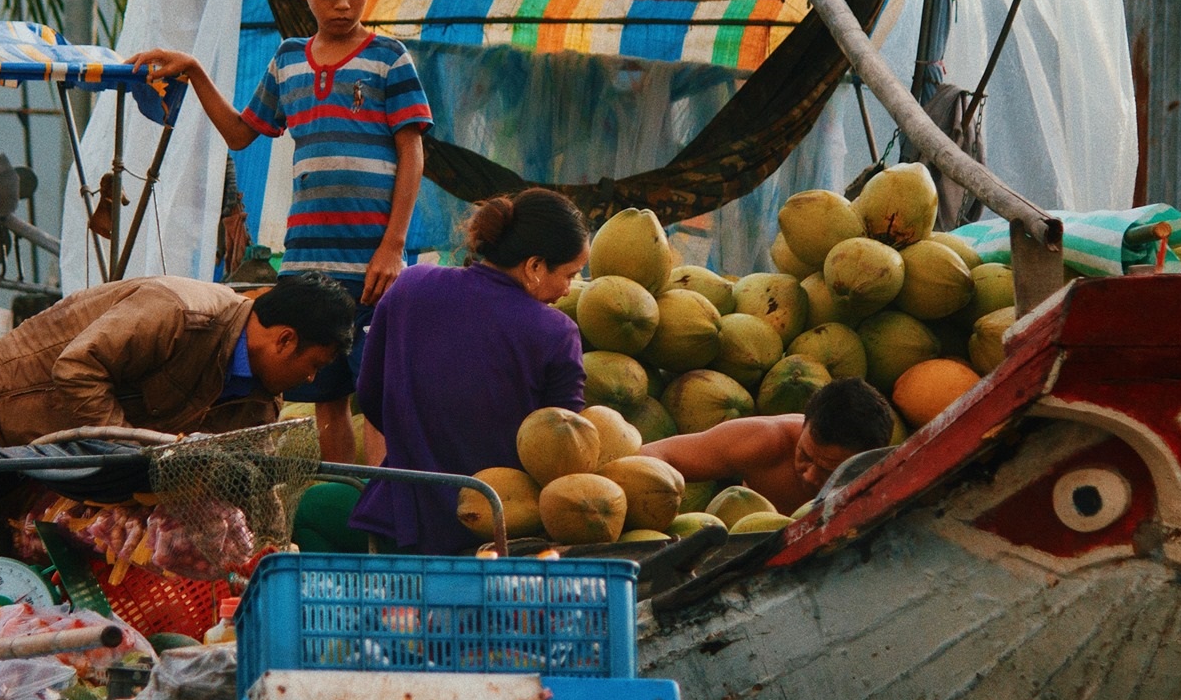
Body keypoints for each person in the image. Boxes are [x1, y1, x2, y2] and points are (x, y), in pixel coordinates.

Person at [128, 0, 431, 467]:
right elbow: (241, 134)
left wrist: (393, 245)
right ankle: (343, 499)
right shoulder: (289, 60)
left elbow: (413, 152)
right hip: (307, 265)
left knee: (381, 398)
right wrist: (195, 71)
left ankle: (384, 513)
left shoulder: (390, 59)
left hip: (372, 265)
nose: (344, 4)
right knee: (326, 398)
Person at [0, 271, 358, 490]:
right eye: (313, 363)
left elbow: (232, 478)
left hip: (65, 472)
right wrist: (130, 462)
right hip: (5, 410)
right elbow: (78, 367)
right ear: (284, 340)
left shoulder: (260, 405)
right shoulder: (180, 311)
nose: (312, 378)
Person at [351, 189, 591, 554]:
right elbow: (563, 450)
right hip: (498, 536)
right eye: (569, 274)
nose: (568, 289)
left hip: (399, 524)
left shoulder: (411, 286)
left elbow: (370, 395)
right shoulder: (557, 333)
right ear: (535, 267)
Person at [643, 378, 896, 515]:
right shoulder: (768, 440)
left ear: (869, 464)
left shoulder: (892, 484)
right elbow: (653, 456)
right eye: (805, 456)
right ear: (804, 425)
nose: (809, 475)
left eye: (830, 471)